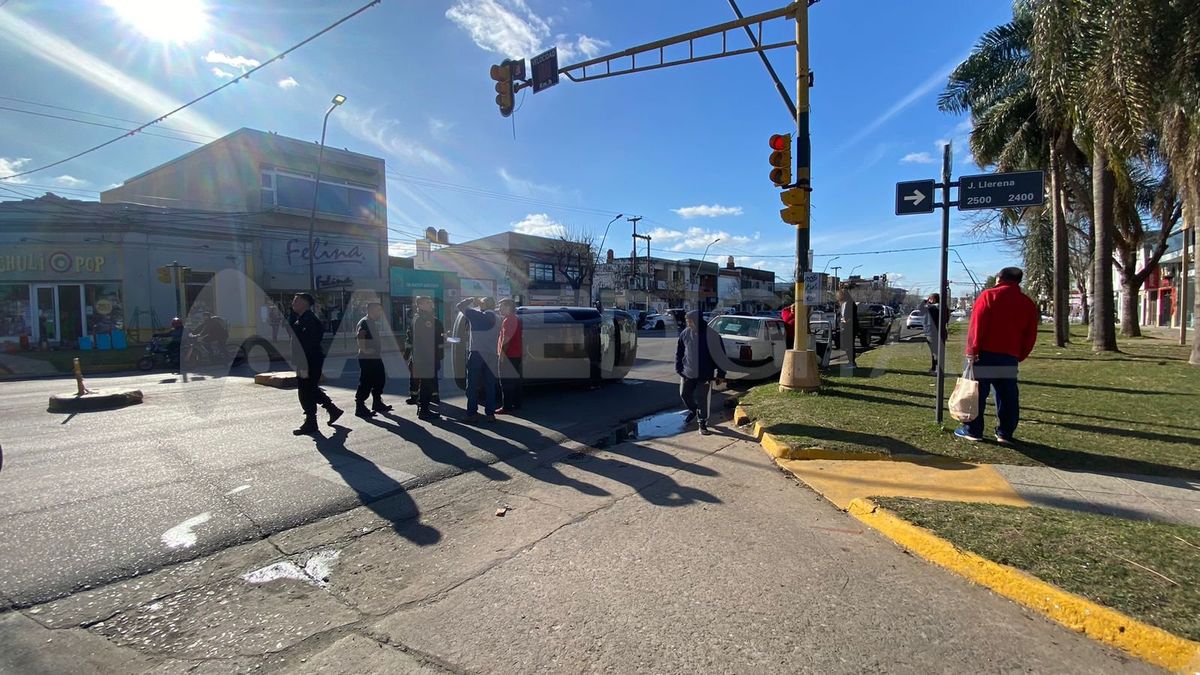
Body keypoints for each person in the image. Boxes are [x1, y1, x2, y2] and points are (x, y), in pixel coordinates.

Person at [956, 267, 1040, 444]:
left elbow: (977, 325)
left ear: (999, 279)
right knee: (1007, 396)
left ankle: (973, 430)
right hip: (1009, 357)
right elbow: (1030, 334)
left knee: (976, 394)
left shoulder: (989, 296)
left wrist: (972, 350)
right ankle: (1005, 432)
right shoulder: (1027, 303)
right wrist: (1020, 355)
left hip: (984, 355)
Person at [291, 292, 343, 435]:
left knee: (306, 391)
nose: (293, 303)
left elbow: (309, 345)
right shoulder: (301, 319)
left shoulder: (309, 320)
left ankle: (311, 422)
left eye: (296, 300)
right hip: (307, 360)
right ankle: (332, 409)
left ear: (305, 303)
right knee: (310, 388)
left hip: (309, 360)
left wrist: (303, 365)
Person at [675, 310, 727, 435]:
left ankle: (702, 423)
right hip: (688, 372)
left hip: (705, 373)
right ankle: (693, 410)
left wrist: (721, 374)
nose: (688, 324)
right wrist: (678, 368)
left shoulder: (712, 336)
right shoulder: (685, 333)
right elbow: (679, 352)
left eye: (690, 321)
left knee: (702, 399)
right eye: (687, 321)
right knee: (684, 394)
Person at [456, 296, 500, 423]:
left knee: (472, 384)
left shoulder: (477, 316)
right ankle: (490, 414)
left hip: (477, 354)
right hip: (492, 354)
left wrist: (471, 299)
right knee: (490, 385)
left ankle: (472, 414)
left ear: (484, 305)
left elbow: (460, 306)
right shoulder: (498, 318)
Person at [353, 302, 391, 418]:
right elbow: (360, 335)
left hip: (375, 357)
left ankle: (377, 403)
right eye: (378, 310)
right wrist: (364, 349)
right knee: (366, 381)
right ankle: (360, 407)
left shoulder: (371, 322)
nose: (379, 312)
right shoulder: (365, 322)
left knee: (379, 379)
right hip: (367, 358)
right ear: (371, 310)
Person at [410, 295, 444, 420]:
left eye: (430, 302)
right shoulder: (423, 319)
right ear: (420, 305)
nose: (431, 304)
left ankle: (423, 408)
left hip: (423, 356)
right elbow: (428, 339)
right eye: (427, 302)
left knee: (426, 383)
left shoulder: (419, 317)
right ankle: (424, 410)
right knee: (426, 384)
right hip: (426, 357)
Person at [497, 299, 523, 414]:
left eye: (501, 306)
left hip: (509, 356)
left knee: (506, 382)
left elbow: (506, 340)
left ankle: (507, 406)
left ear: (508, 307)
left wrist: (502, 355)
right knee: (515, 381)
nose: (499, 309)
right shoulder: (515, 318)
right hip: (516, 355)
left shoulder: (508, 320)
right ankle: (517, 404)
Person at [922, 293, 949, 374]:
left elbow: (920, 308)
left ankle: (936, 369)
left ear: (933, 299)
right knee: (937, 352)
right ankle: (935, 368)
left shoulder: (931, 308)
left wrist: (926, 301)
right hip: (940, 331)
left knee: (935, 352)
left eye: (930, 298)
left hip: (932, 332)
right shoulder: (944, 307)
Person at [836, 288, 857, 369]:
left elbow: (852, 315)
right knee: (845, 345)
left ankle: (852, 362)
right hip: (843, 326)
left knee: (849, 345)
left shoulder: (850, 303)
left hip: (850, 327)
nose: (838, 296)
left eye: (840, 294)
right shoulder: (842, 304)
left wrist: (847, 321)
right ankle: (850, 361)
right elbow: (840, 315)